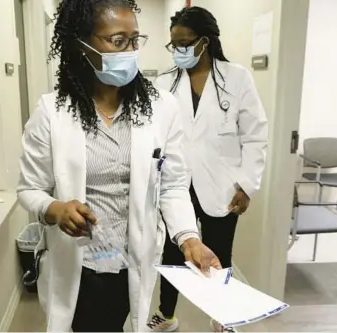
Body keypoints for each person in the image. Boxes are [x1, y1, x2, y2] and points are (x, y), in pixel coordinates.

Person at [16, 1, 222, 332]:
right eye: (117, 41)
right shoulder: (51, 113)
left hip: (135, 259)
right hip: (80, 262)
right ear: (82, 44)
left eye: (135, 39)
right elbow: (30, 188)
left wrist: (189, 239)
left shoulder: (162, 109)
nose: (130, 51)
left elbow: (171, 185)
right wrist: (55, 209)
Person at [147, 6, 268, 333]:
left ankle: (221, 316)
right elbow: (155, 134)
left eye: (184, 43)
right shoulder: (163, 83)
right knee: (172, 253)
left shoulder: (237, 77)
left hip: (222, 186)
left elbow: (256, 135)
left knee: (219, 255)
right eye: (174, 45)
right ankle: (167, 314)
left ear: (205, 41)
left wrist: (247, 185)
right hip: (175, 184)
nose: (178, 51)